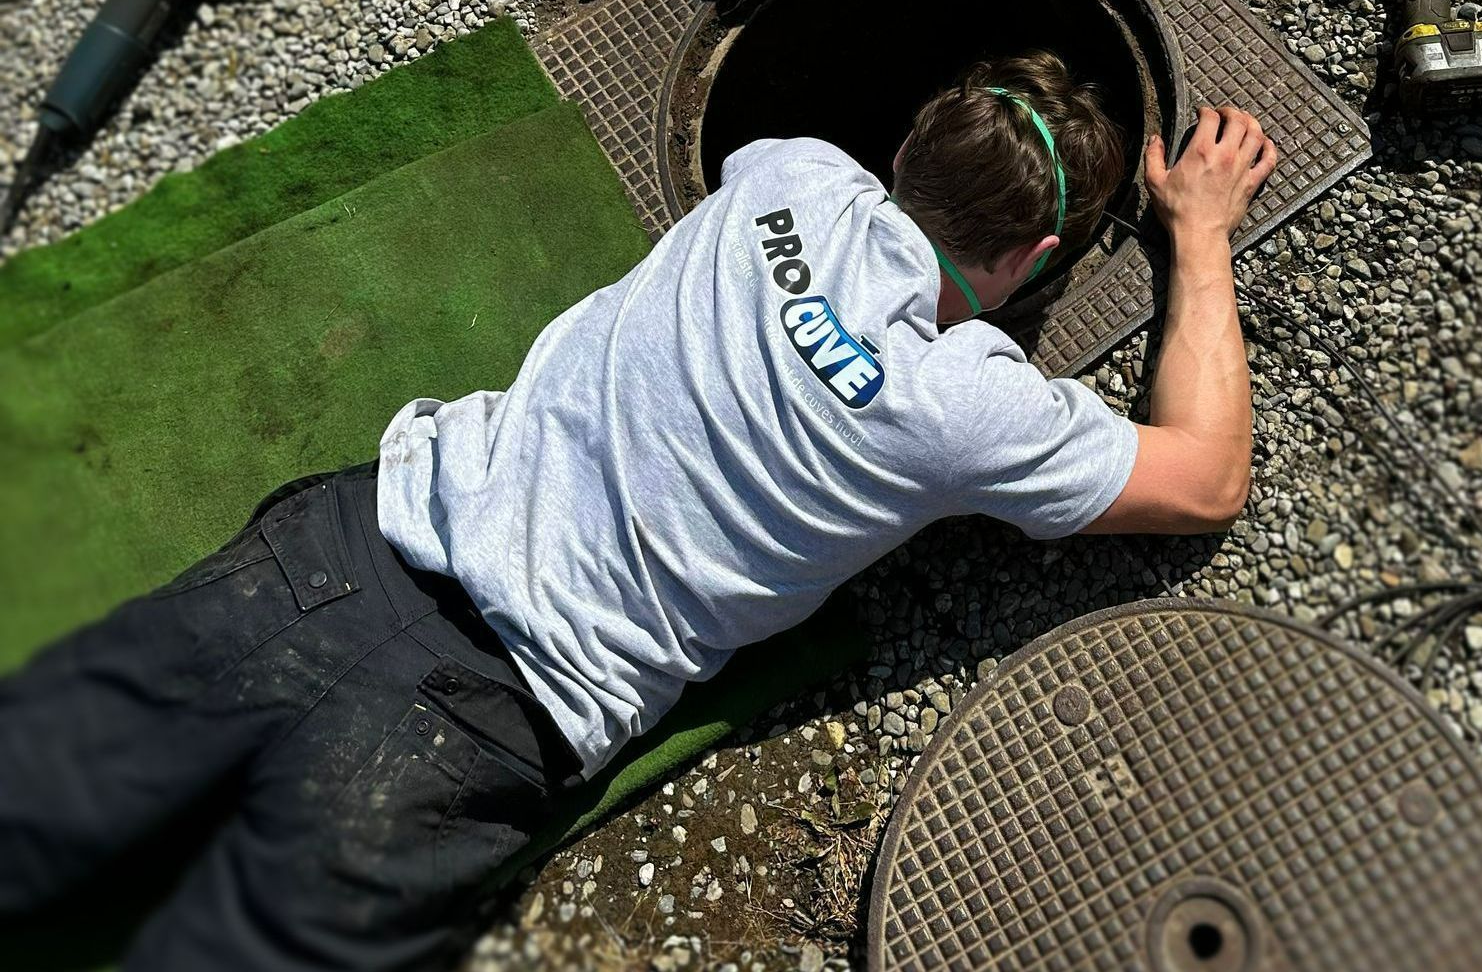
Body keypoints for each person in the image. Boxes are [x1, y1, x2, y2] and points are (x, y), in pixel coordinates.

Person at [0, 50, 1278, 970]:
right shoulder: (969, 403)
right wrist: (1203, 234)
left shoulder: (789, 175)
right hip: (478, 726)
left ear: (906, 152)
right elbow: (1208, 477)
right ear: (1040, 262)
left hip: (342, 550)